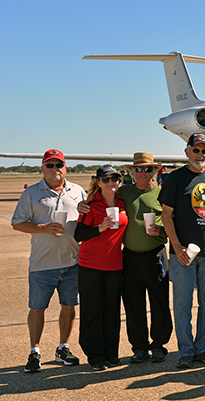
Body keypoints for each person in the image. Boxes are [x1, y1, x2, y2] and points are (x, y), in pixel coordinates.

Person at [12, 149, 85, 373]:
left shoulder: (77, 191)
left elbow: (88, 219)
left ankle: (63, 347)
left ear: (65, 168)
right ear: (42, 168)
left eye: (59, 165)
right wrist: (42, 228)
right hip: (42, 265)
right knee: (37, 309)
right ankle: (34, 351)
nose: (55, 169)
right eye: (50, 165)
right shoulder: (31, 193)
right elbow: (17, 223)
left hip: (72, 263)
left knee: (69, 307)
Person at [159, 133, 205, 369]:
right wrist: (177, 247)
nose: (200, 154)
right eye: (196, 150)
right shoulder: (175, 179)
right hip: (182, 254)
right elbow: (166, 215)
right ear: (187, 152)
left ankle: (202, 349)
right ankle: (185, 352)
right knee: (183, 305)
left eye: (204, 150)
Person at [74, 165, 128, 370]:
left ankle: (111, 353)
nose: (111, 183)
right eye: (106, 179)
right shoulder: (91, 205)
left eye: (115, 179)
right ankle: (95, 356)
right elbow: (78, 234)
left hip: (115, 265)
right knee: (92, 311)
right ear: (98, 183)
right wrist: (100, 228)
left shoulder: (123, 203)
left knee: (112, 311)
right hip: (91, 265)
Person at [121, 152, 173, 363]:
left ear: (155, 171)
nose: (143, 173)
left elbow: (173, 222)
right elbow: (99, 197)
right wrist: (82, 204)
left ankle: (159, 345)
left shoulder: (163, 194)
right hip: (130, 257)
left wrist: (161, 230)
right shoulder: (124, 192)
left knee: (159, 302)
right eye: (138, 169)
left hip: (156, 255)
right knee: (133, 305)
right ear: (132, 172)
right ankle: (139, 347)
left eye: (148, 169)